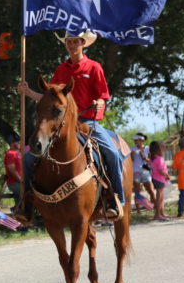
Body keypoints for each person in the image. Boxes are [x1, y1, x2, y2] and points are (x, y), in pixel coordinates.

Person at [16, 30, 126, 219]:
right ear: (66, 44)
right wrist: (28, 92)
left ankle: (115, 199)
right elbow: (50, 99)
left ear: (83, 43)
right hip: (62, 124)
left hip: (87, 122)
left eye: (76, 42)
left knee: (113, 153)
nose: (72, 45)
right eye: (69, 42)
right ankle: (27, 202)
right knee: (27, 158)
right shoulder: (61, 70)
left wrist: (100, 103)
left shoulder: (94, 67)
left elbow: (102, 96)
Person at [130, 133, 155, 211]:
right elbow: (131, 161)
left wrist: (144, 157)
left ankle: (153, 207)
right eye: (134, 140)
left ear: (141, 140)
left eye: (136, 140)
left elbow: (151, 160)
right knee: (137, 191)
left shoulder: (147, 148)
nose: (135, 142)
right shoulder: (132, 149)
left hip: (146, 171)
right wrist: (132, 155)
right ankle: (138, 210)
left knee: (150, 190)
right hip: (136, 171)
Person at [148, 140, 171, 221]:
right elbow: (161, 171)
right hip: (159, 179)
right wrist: (167, 175)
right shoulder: (159, 158)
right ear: (158, 148)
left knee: (160, 197)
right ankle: (157, 215)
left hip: (155, 179)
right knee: (159, 198)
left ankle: (161, 213)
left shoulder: (152, 158)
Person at [3, 133, 24, 210]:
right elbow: (12, 169)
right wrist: (21, 180)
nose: (19, 142)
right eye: (17, 141)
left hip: (20, 181)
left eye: (19, 141)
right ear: (11, 143)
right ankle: (17, 210)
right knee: (27, 192)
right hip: (14, 182)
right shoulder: (10, 154)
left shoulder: (18, 153)